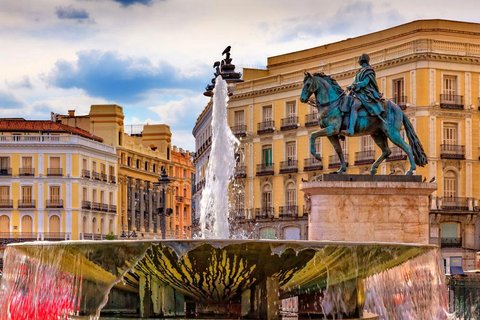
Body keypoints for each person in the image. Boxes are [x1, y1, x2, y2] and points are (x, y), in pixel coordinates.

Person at [344, 53, 386, 135]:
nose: (358, 61)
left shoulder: (368, 70)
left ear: (362, 61)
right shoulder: (359, 71)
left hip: (366, 93)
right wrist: (351, 86)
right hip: (356, 93)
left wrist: (355, 85)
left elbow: (365, 82)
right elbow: (355, 82)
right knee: (345, 104)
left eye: (359, 60)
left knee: (355, 106)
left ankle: (351, 129)